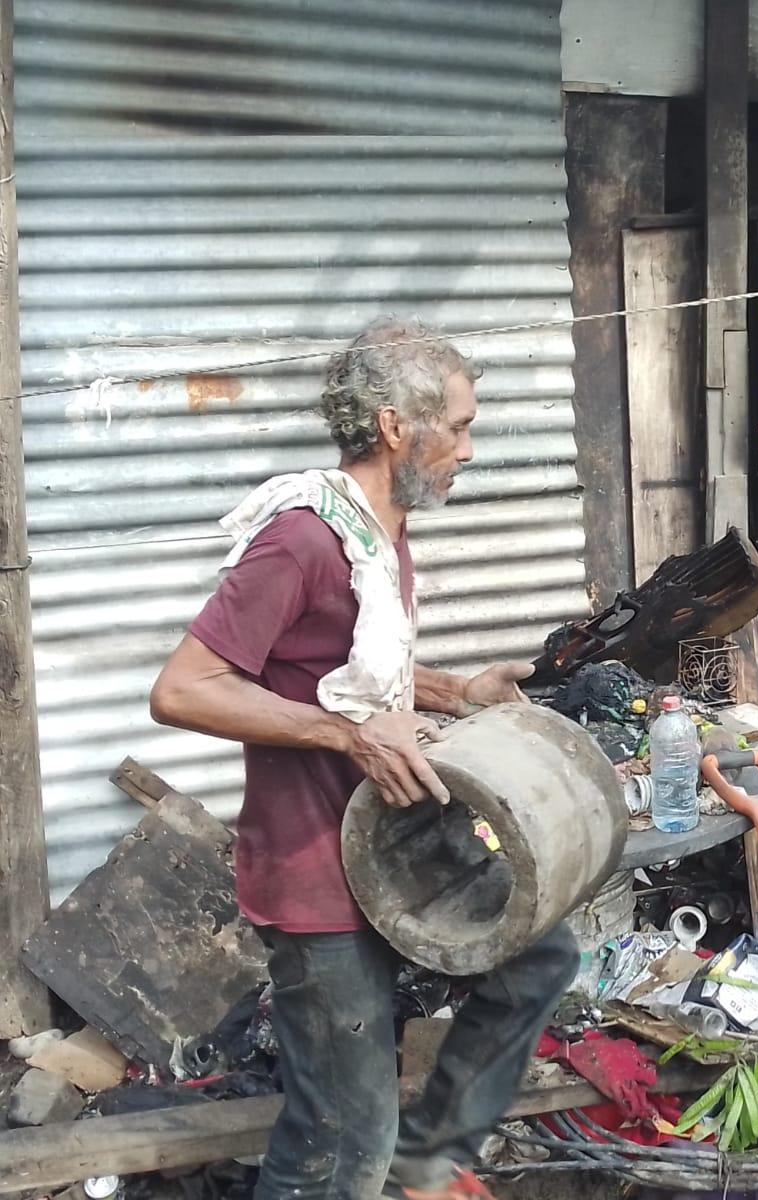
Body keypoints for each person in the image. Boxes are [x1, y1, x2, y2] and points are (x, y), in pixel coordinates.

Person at [151, 317, 579, 1200]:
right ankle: (390, 1161)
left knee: (540, 957)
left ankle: (428, 1157)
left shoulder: (378, 530)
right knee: (340, 1142)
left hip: (393, 842)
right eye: (458, 426)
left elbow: (352, 670)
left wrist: (460, 694)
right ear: (396, 426)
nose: (469, 446)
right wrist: (346, 736)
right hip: (315, 875)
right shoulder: (303, 537)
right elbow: (184, 689)